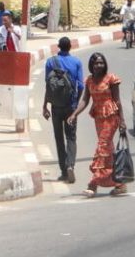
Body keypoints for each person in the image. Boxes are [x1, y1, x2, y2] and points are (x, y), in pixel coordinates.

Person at [67, 53, 128, 197]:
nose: (98, 65)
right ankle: (120, 184)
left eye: (101, 63)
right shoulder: (89, 81)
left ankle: (92, 184)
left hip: (111, 117)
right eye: (96, 63)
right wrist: (74, 114)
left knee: (102, 147)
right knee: (108, 151)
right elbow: (85, 101)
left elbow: (117, 101)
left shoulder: (111, 79)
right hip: (98, 118)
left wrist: (122, 121)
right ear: (91, 65)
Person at [42, 37, 84, 184]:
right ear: (70, 47)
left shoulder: (50, 62)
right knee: (71, 137)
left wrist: (44, 106)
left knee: (59, 138)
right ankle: (70, 165)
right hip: (71, 106)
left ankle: (64, 171)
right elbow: (80, 86)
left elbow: (48, 85)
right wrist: (76, 104)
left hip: (55, 107)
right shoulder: (77, 62)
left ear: (59, 47)